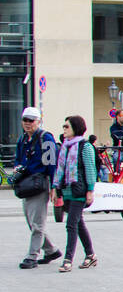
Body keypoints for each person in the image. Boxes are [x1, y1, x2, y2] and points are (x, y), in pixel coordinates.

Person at [16, 107, 61, 269]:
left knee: (37, 223)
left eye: (31, 120)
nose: (27, 123)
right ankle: (51, 250)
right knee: (32, 222)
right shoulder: (22, 139)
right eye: (25, 120)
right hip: (26, 184)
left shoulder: (45, 137)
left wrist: (54, 187)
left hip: (40, 183)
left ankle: (32, 256)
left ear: (39, 121)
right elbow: (18, 160)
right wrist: (17, 169)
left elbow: (51, 164)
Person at [50, 115, 98, 271]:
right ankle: (90, 255)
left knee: (71, 224)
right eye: (63, 126)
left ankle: (67, 259)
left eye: (67, 126)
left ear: (75, 128)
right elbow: (60, 169)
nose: (64, 129)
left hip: (80, 190)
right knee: (79, 223)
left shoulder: (85, 147)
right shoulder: (65, 146)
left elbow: (91, 169)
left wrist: (90, 190)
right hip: (67, 190)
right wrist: (56, 188)